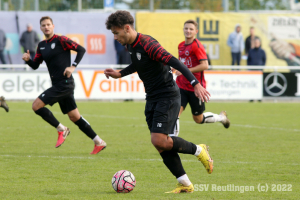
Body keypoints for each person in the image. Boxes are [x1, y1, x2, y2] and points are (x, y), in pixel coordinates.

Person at [104, 10, 212, 194]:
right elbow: (138, 64)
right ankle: (185, 184)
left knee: (158, 138)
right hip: (152, 97)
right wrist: (120, 73)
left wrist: (195, 83)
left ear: (127, 28)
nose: (114, 37)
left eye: (116, 32)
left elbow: (175, 62)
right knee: (160, 143)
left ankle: (199, 150)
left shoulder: (148, 44)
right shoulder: (131, 45)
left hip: (168, 96)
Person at [22, 16, 106, 154]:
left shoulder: (61, 40)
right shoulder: (41, 45)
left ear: (53, 26)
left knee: (36, 106)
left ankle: (61, 129)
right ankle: (98, 141)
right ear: (41, 28)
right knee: (74, 117)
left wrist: (73, 66)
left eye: (48, 24)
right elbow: (35, 65)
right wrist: (27, 60)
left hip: (65, 84)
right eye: (43, 25)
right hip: (59, 84)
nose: (46, 27)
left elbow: (81, 49)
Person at [170, 20, 230, 137]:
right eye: (186, 28)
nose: (188, 31)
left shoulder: (197, 46)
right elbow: (182, 62)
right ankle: (172, 143)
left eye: (191, 29)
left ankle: (221, 117)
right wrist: (175, 67)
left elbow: (205, 65)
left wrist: (185, 71)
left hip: (195, 88)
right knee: (175, 113)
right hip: (181, 86)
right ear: (183, 29)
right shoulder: (181, 45)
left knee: (198, 119)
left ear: (196, 32)